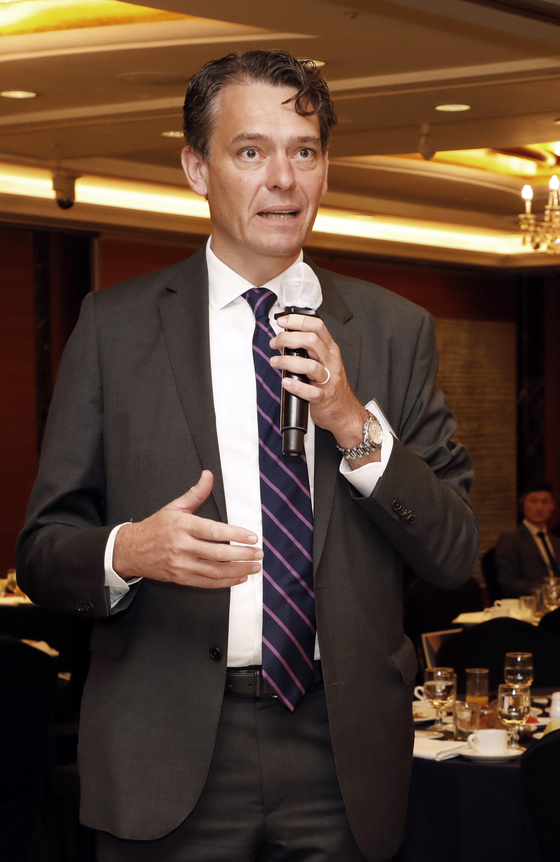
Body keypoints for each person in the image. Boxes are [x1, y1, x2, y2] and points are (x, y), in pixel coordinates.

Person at [15, 51, 478, 862]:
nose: (284, 181)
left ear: (327, 168)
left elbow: (452, 552)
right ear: (197, 167)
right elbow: (45, 551)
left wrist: (349, 423)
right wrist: (131, 551)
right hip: (168, 749)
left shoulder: (395, 331)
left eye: (304, 151)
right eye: (251, 151)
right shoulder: (113, 328)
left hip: (343, 753)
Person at [496, 480, 560, 598]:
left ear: (552, 505)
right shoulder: (510, 540)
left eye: (545, 502)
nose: (539, 507)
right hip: (532, 604)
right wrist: (548, 590)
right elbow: (508, 582)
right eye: (533, 501)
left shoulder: (556, 542)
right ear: (523, 503)